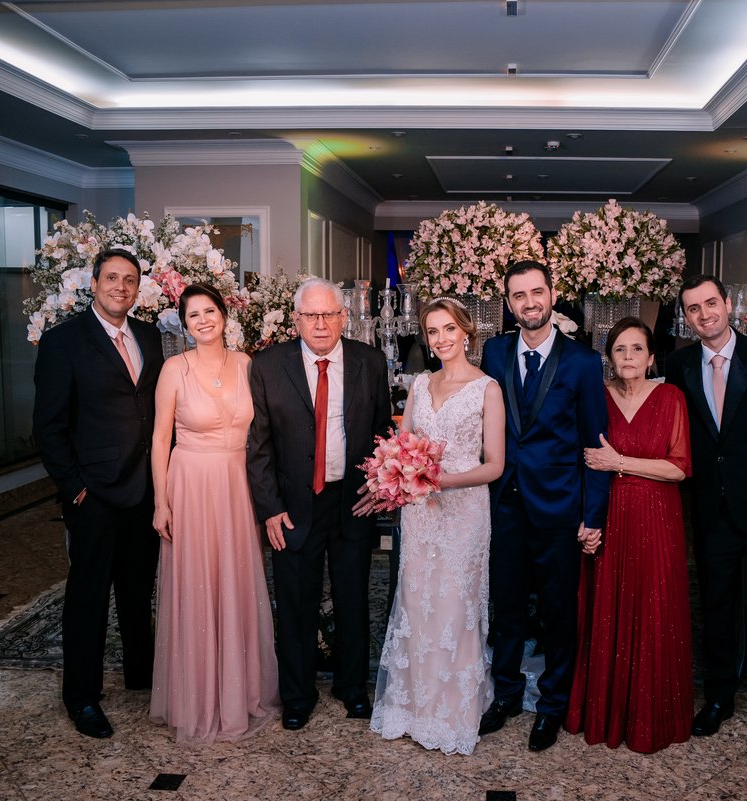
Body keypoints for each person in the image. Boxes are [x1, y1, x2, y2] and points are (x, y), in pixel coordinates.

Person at [246, 277, 393, 731]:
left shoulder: (370, 361)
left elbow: (382, 433)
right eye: (311, 315)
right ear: (296, 320)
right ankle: (297, 695)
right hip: (293, 503)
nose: (321, 323)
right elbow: (258, 446)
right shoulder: (268, 365)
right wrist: (270, 508)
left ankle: (352, 688)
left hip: (352, 500)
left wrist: (378, 483)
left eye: (329, 314)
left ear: (344, 317)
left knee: (353, 598)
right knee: (295, 602)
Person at [478, 261, 610, 753]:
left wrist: (593, 515)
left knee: (558, 612)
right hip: (504, 504)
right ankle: (507, 695)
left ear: (552, 295)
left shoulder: (583, 362)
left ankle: (553, 705)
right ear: (508, 303)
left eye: (537, 292)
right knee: (506, 608)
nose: (529, 302)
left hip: (560, 508)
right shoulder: (493, 352)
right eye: (519, 295)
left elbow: (595, 445)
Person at [32, 247, 164, 739]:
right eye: (111, 278)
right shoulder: (62, 341)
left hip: (143, 489)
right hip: (94, 494)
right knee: (88, 598)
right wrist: (75, 490)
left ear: (138, 288)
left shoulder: (149, 335)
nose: (120, 287)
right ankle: (82, 698)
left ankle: (140, 674)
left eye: (129, 280)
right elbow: (48, 427)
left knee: (138, 589)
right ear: (93, 283)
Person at [665, 274, 747, 757]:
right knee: (716, 610)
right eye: (693, 308)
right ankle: (718, 699)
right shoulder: (678, 364)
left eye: (710, 303)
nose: (704, 314)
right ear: (686, 317)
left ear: (727, 304)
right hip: (710, 510)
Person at [369, 298, 506, 755]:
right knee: (417, 600)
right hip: (421, 511)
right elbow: (402, 444)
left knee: (455, 604)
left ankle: (453, 710)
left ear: (466, 332)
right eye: (433, 331)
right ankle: (414, 706)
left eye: (449, 329)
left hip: (464, 512)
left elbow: (494, 465)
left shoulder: (487, 389)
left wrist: (442, 480)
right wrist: (392, 474)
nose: (442, 338)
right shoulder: (420, 384)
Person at [148, 284, 280, 745]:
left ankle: (239, 693)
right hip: (191, 484)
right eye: (193, 315)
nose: (203, 320)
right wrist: (161, 502)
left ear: (224, 316)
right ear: (184, 325)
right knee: (198, 584)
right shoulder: (174, 369)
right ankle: (199, 699)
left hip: (238, 484)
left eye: (210, 311)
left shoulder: (246, 364)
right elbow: (159, 439)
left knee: (237, 581)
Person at [567, 317, 694, 753]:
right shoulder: (598, 398)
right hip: (609, 515)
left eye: (637, 348)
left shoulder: (670, 397)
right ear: (609, 358)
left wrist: (619, 462)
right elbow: (585, 463)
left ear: (652, 357)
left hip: (657, 518)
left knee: (654, 608)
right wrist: (588, 519)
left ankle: (649, 715)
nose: (628, 357)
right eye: (620, 349)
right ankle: (606, 714)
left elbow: (679, 468)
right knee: (606, 609)